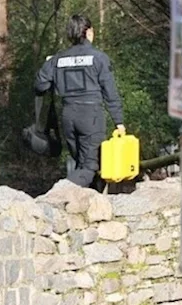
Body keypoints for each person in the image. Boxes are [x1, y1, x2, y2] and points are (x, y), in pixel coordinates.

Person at [33, 14, 125, 188]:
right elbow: (110, 93)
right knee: (91, 166)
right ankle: (60, 192)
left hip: (68, 116)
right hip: (91, 116)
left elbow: (40, 85)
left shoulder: (58, 59)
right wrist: (118, 121)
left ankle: (88, 205)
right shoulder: (98, 58)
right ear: (89, 32)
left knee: (81, 163)